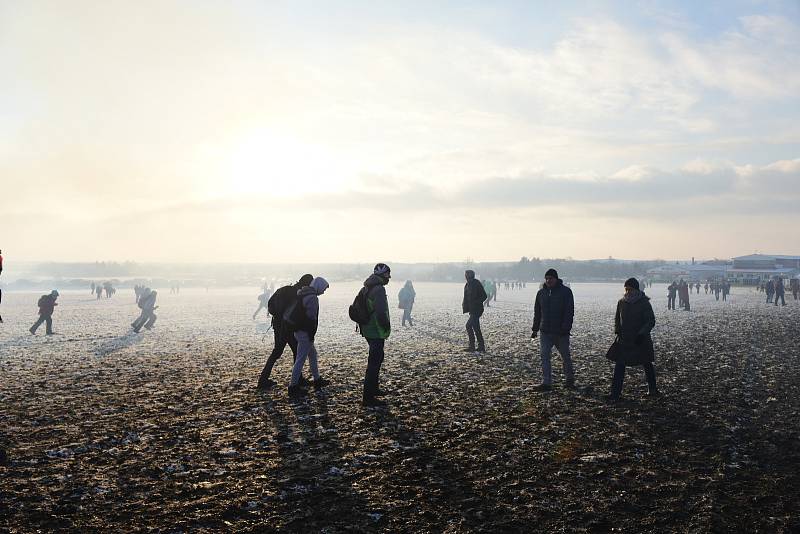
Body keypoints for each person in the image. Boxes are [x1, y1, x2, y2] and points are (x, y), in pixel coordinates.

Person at [256, 274, 313, 389]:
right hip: (287, 327)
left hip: (277, 324)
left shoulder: (286, 289)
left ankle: (263, 379)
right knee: (296, 352)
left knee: (278, 352)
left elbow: (273, 305)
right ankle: (297, 379)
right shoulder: (297, 294)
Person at [606, 278, 658, 402]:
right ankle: (615, 392)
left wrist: (642, 334)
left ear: (636, 289)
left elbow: (650, 320)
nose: (628, 291)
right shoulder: (621, 302)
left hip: (641, 340)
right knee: (620, 365)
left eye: (630, 289)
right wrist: (617, 330)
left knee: (646, 363)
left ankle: (653, 389)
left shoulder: (644, 303)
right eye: (626, 289)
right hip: (624, 340)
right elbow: (617, 319)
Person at [531, 268, 575, 391]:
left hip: (561, 332)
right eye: (546, 278)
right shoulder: (541, 293)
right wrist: (535, 329)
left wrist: (566, 328)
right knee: (544, 356)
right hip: (545, 331)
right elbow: (537, 312)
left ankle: (569, 378)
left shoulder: (566, 292)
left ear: (556, 279)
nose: (548, 280)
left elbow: (569, 311)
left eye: (550, 278)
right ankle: (546, 382)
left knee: (565, 356)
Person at [287, 277, 330, 397]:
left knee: (312, 354)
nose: (323, 291)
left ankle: (317, 380)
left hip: (299, 330)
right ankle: (293, 386)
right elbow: (311, 318)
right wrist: (311, 334)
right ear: (319, 286)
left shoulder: (303, 293)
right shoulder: (312, 298)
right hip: (305, 332)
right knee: (300, 359)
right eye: (324, 289)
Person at [361, 263, 392, 407]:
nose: (389, 277)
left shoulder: (367, 287)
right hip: (376, 330)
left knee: (378, 358)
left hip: (368, 329)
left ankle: (373, 389)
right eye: (387, 274)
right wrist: (386, 325)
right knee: (374, 362)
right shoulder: (378, 289)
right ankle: (368, 396)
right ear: (382, 275)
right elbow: (380, 312)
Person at [462, 270, 487, 353]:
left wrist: (476, 302)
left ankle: (472, 346)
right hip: (472, 310)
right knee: (476, 328)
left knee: (468, 326)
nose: (465, 276)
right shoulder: (467, 284)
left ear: (469, 275)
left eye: (466, 275)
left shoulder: (476, 283)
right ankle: (481, 346)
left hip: (477, 309)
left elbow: (484, 296)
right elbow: (466, 297)